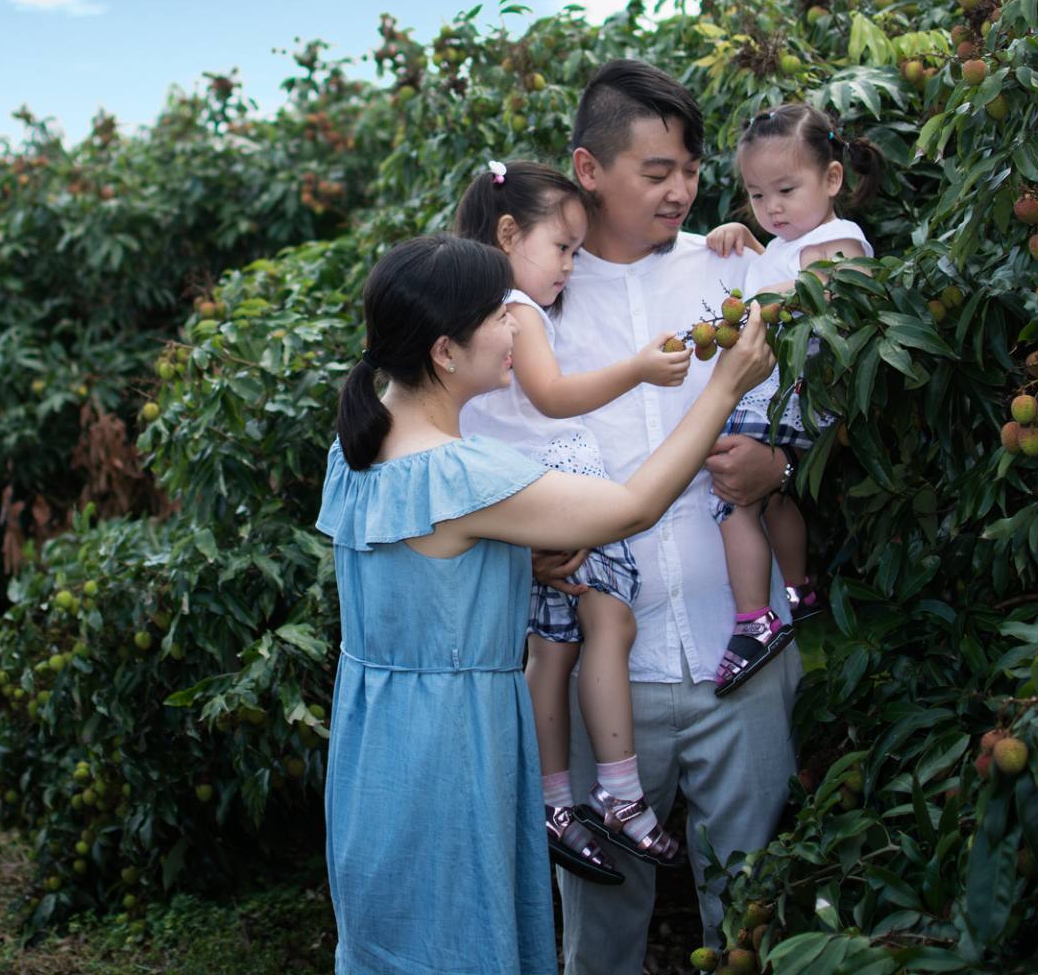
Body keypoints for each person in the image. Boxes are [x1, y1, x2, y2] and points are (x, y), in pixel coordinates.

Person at [316, 233, 773, 975]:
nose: (517, 327)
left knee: (396, 933)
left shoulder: (357, 447)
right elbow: (629, 508)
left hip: (378, 742)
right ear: (443, 351)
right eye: (500, 315)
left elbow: (416, 569)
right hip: (452, 744)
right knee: (457, 936)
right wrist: (725, 386)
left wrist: (509, 560)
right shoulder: (463, 475)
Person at [548, 60, 809, 974]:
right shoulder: (536, 299)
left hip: (739, 658)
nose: (681, 189)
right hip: (598, 675)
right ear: (589, 170)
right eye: (655, 172)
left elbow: (811, 412)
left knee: (755, 917)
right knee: (601, 931)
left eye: (690, 170)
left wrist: (780, 461)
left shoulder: (732, 272)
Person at [452, 159, 693, 885]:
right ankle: (621, 792)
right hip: (560, 488)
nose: (570, 265)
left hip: (515, 503)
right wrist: (638, 369)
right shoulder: (516, 310)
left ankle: (555, 803)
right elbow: (553, 397)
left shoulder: (465, 316)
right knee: (612, 625)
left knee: (549, 655)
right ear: (507, 233)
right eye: (562, 248)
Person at [700, 102, 882, 694]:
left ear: (831, 179)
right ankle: (798, 590)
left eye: (785, 189)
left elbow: (817, 287)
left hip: (797, 393)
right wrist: (748, 242)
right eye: (756, 196)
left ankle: (755, 618)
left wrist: (750, 298)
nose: (771, 207)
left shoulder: (839, 239)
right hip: (779, 393)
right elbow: (777, 269)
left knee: (731, 503)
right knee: (772, 499)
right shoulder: (786, 241)